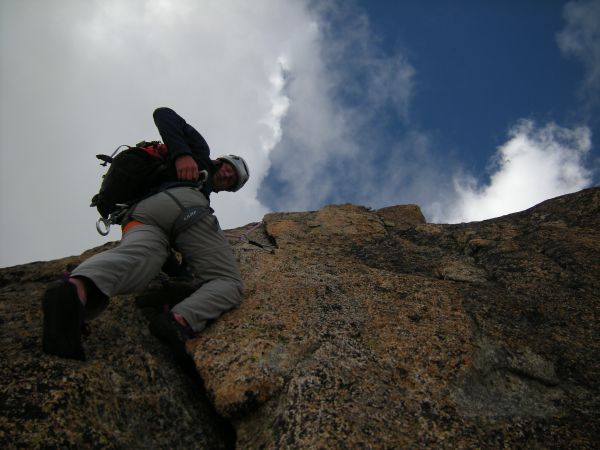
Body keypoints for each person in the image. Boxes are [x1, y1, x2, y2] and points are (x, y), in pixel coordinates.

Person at [42, 107, 249, 362]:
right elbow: (164, 114)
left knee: (137, 258)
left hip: (142, 215)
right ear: (222, 160)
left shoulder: (192, 178)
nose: (228, 176)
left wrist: (180, 274)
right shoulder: (200, 154)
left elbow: (171, 252)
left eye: (232, 181)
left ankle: (74, 290)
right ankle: (179, 320)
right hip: (185, 204)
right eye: (230, 169)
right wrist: (184, 154)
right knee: (228, 282)